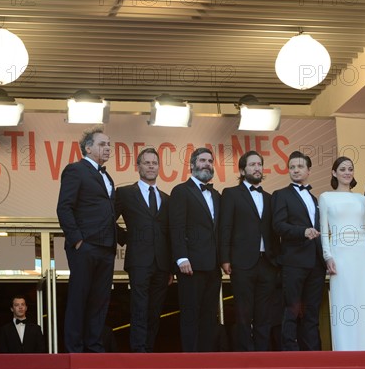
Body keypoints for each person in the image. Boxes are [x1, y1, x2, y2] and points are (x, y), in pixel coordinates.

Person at [56, 126, 116, 353]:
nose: (107, 148)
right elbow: (64, 207)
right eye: (102, 144)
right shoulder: (75, 170)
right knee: (79, 297)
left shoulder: (107, 175)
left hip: (106, 248)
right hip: (86, 246)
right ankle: (75, 348)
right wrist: (77, 240)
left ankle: (94, 346)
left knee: (100, 300)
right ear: (88, 148)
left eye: (109, 144)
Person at [319, 156, 365, 351]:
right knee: (344, 301)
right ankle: (346, 350)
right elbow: (324, 230)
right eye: (342, 169)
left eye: (350, 169)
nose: (347, 172)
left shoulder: (362, 198)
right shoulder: (325, 197)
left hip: (362, 254)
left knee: (364, 299)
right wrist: (327, 256)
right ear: (334, 173)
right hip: (340, 254)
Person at [219, 151, 279, 351]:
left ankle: (262, 354)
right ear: (243, 170)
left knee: (264, 312)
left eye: (259, 164)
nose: (257, 168)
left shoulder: (270, 198)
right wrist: (225, 258)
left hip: (267, 263)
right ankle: (245, 354)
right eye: (252, 165)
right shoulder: (230, 194)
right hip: (242, 263)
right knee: (244, 312)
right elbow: (225, 227)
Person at [115, 148, 171, 353]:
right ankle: (138, 351)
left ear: (158, 167)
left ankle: (149, 349)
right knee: (139, 307)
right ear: (138, 166)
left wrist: (172, 267)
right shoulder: (124, 193)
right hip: (139, 261)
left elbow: (170, 233)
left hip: (162, 264)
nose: (150, 166)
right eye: (146, 163)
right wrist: (126, 238)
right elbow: (107, 220)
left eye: (154, 163)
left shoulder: (167, 198)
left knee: (155, 310)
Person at [272, 151, 326, 351]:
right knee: (292, 310)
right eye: (292, 167)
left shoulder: (315, 198)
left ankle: (313, 354)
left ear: (309, 171)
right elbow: (278, 225)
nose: (295, 170)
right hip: (293, 261)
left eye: (300, 166)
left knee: (312, 312)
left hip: (316, 264)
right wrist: (301, 231)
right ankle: (290, 353)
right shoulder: (281, 195)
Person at [169, 147, 222, 352]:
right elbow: (176, 227)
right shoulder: (181, 191)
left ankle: (207, 360)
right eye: (202, 160)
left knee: (210, 315)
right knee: (191, 314)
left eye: (210, 161)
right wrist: (181, 258)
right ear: (192, 165)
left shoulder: (216, 195)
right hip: (190, 265)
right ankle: (190, 360)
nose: (207, 164)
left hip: (213, 265)